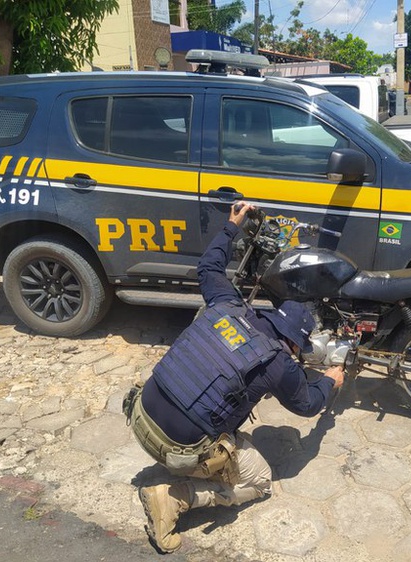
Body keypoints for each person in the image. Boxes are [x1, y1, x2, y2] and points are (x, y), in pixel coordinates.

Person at [123, 201, 344, 554]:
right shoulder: (277, 360)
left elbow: (208, 266)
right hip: (174, 448)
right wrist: (331, 380)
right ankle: (173, 496)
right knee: (261, 482)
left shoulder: (227, 303)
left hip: (139, 414)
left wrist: (232, 224)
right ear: (293, 341)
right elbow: (307, 404)